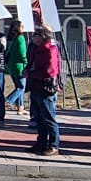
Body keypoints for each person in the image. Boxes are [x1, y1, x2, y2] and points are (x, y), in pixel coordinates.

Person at [24, 26, 63, 156]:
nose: (33, 37)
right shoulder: (36, 48)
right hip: (35, 86)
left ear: (42, 36)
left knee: (48, 117)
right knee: (39, 118)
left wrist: (31, 73)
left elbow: (49, 71)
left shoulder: (49, 49)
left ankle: (54, 145)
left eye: (36, 35)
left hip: (45, 87)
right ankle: (41, 142)